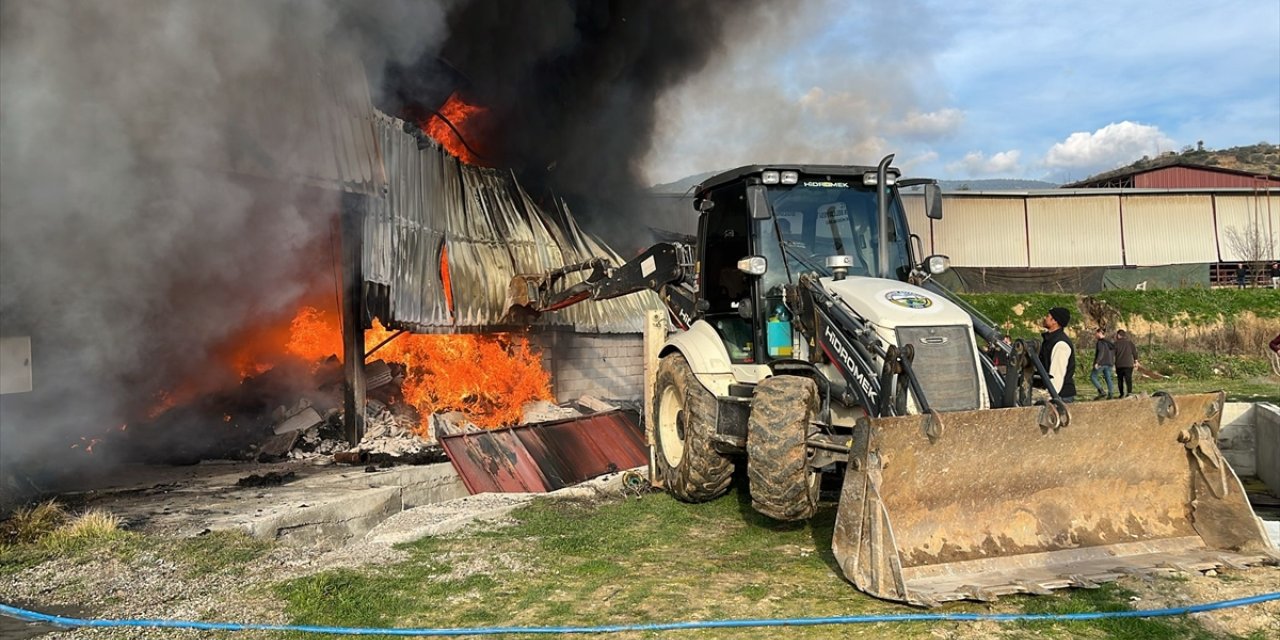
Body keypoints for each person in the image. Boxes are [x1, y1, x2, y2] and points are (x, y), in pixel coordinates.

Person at [1038, 307, 1076, 402]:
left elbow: (1057, 375)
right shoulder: (1049, 340)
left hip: (1060, 396)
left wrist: (1049, 397)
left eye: (1048, 316)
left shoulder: (1060, 344)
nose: (1045, 318)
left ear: (1054, 321)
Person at [1090, 327, 1116, 400]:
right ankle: (1110, 394)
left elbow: (1101, 352)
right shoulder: (1109, 342)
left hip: (1101, 363)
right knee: (1108, 378)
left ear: (1099, 333)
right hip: (1109, 363)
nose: (1095, 335)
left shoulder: (1100, 342)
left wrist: (1097, 362)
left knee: (1093, 376)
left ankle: (1101, 391)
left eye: (1096, 333)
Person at [1114, 329, 1140, 398]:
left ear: (1119, 335)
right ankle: (1129, 392)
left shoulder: (1116, 344)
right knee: (1128, 379)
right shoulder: (1130, 343)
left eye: (1117, 335)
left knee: (1120, 380)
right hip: (1128, 364)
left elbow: (1112, 354)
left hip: (1119, 365)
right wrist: (1136, 361)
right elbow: (1134, 352)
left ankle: (1122, 394)